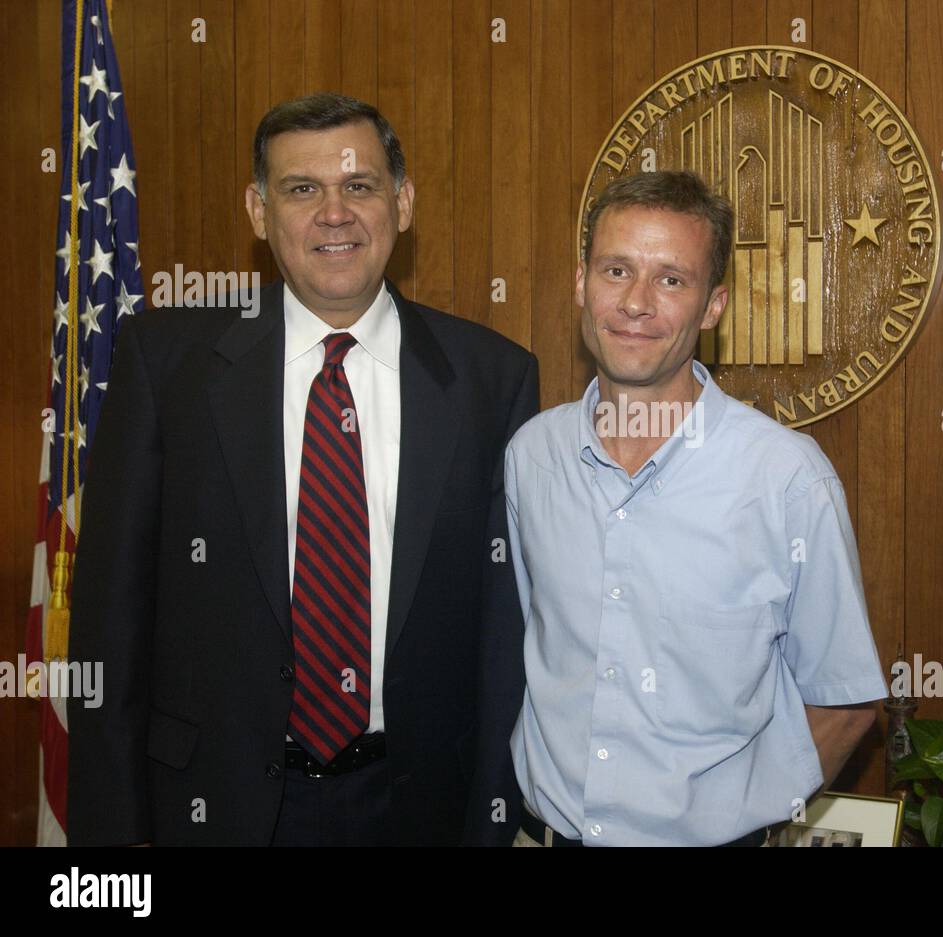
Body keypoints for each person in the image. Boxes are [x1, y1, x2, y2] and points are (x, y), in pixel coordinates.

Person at [67, 92, 537, 845]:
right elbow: (109, 625)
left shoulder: (493, 378)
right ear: (258, 211)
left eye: (359, 186)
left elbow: (502, 634)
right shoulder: (166, 365)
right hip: (212, 806)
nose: (334, 213)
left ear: (403, 202)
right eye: (301, 188)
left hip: (417, 808)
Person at [505, 170, 887, 846]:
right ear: (580, 283)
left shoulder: (785, 479)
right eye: (616, 269)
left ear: (714, 305)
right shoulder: (532, 458)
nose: (636, 302)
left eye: (671, 280)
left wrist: (751, 812)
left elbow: (846, 699)